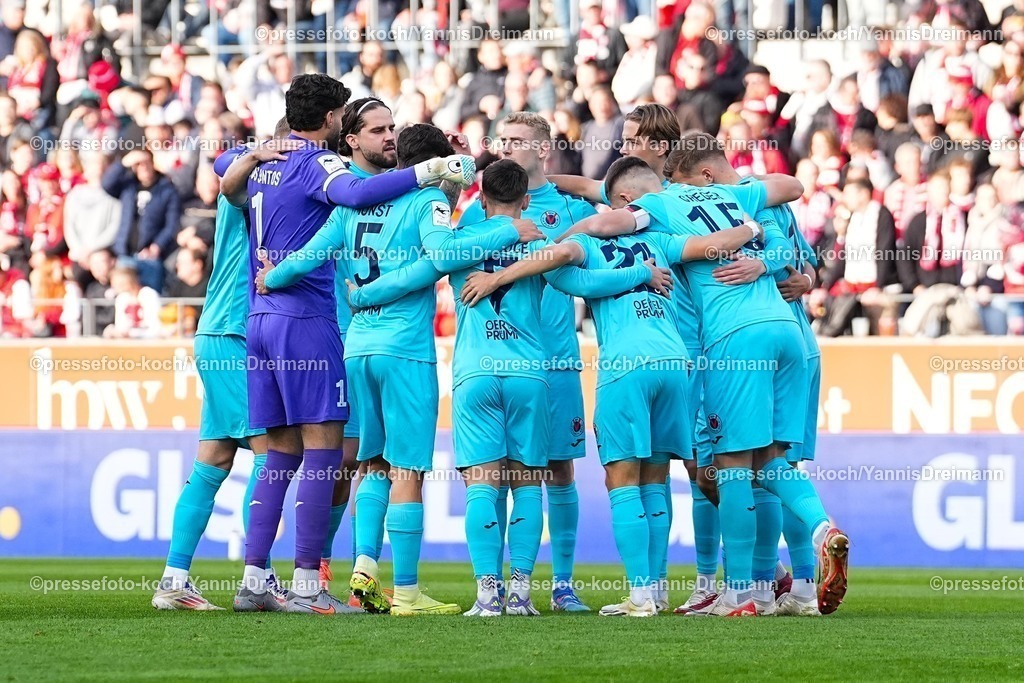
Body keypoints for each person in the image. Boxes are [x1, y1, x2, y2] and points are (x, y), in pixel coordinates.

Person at [220, 73, 477, 615]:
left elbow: (222, 170)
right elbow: (357, 193)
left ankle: (254, 579)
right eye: (365, 124)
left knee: (281, 455)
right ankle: (310, 585)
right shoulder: (323, 167)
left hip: (261, 315)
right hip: (309, 322)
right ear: (337, 121)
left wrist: (249, 156)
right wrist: (431, 172)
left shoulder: (266, 161)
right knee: (326, 452)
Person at [256, 122, 527, 615]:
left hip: (357, 347)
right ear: (436, 163)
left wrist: (272, 276)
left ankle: (363, 571)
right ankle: (406, 591)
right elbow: (444, 254)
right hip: (404, 350)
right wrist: (507, 228)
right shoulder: (426, 202)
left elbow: (309, 256)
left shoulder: (353, 204)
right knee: (409, 466)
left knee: (372, 462)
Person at [458, 112, 604, 612]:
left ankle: (561, 582)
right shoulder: (480, 208)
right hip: (513, 361)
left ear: (543, 149)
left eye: (518, 141)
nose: (506, 148)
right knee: (500, 471)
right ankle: (500, 584)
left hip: (557, 358)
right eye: (502, 141)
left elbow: (627, 198)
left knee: (556, 470)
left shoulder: (567, 207)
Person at [150, 128, 295, 611]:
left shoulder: (283, 196)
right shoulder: (251, 187)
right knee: (274, 451)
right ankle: (259, 576)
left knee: (212, 461)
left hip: (223, 335)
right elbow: (226, 176)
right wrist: (254, 153)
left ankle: (174, 580)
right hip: (233, 335)